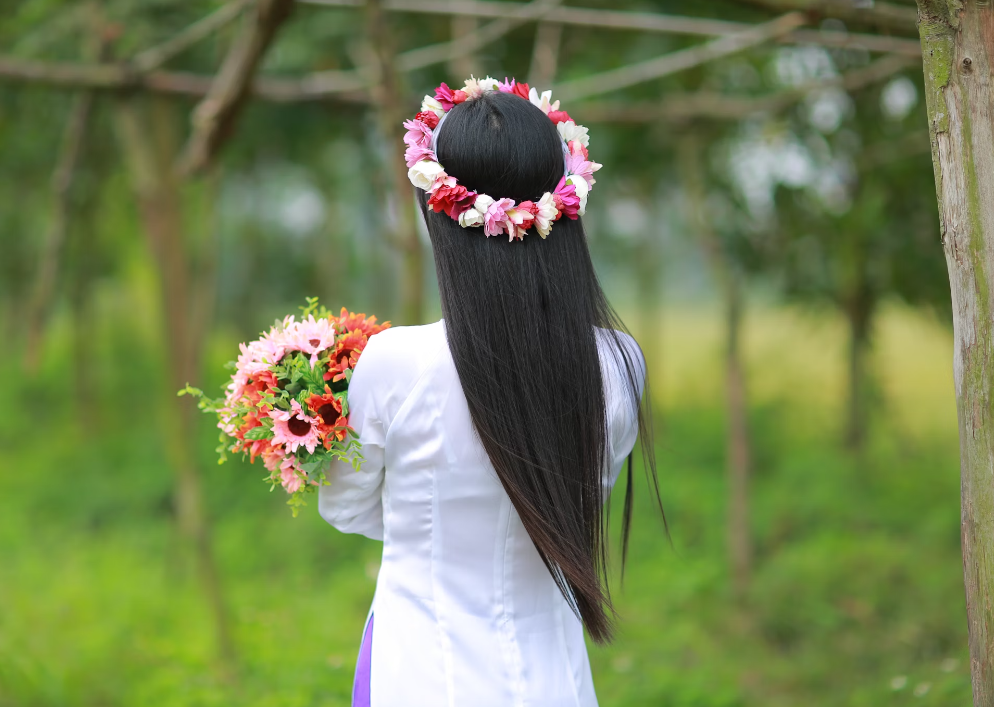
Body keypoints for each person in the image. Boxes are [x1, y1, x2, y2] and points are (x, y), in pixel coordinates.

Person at [318, 79, 661, 707]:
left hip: (420, 675)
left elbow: (346, 507)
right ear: (564, 208)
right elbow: (581, 492)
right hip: (556, 680)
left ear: (438, 212)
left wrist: (425, 517)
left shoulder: (395, 363)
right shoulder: (620, 363)